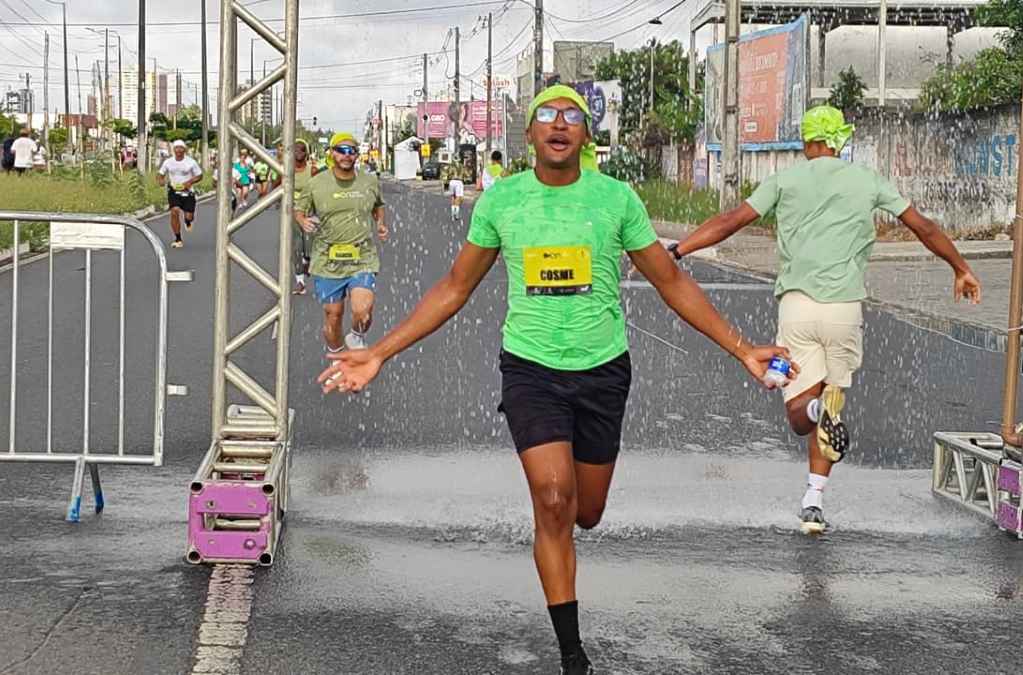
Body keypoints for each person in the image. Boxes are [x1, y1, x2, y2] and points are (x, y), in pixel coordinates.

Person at [316, 85, 793, 675]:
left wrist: (742, 349)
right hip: (530, 370)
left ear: (586, 134)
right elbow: (454, 288)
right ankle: (573, 655)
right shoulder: (503, 201)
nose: (560, 124)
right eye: (547, 115)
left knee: (585, 512)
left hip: (602, 372)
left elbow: (671, 282)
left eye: (573, 116)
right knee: (551, 499)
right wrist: (381, 351)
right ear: (531, 133)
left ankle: (568, 541)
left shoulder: (616, 200)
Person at [673, 105, 982, 535]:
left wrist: (678, 250)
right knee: (832, 401)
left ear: (805, 142)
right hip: (844, 310)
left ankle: (817, 412)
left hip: (797, 308)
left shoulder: (785, 179)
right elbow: (923, 226)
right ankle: (813, 500)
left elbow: (731, 221)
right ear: (841, 141)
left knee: (800, 415)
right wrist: (960, 267)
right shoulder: (867, 180)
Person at [294, 132, 388, 352]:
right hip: (328, 259)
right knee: (334, 316)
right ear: (332, 153)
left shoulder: (369, 180)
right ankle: (337, 357)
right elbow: (299, 209)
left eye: (352, 151)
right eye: (341, 150)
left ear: (357, 155)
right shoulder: (316, 183)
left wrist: (381, 223)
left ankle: (356, 336)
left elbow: (378, 205)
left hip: (362, 256)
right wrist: (302, 220)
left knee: (363, 310)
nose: (347, 155)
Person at [156, 140, 203, 249]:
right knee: (174, 211)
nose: (178, 150)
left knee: (188, 216)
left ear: (184, 150)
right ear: (174, 150)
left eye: (181, 148)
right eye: (176, 148)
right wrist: (160, 180)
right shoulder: (168, 162)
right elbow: (160, 174)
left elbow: (200, 175)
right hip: (174, 191)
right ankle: (178, 239)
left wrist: (190, 182)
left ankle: (188, 221)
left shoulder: (191, 162)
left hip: (188, 192)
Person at [290, 140, 319, 295]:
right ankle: (300, 282)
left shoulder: (312, 170)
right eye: (295, 150)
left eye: (301, 150)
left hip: (309, 213)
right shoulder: (288, 170)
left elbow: (320, 190)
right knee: (296, 247)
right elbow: (277, 185)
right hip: (293, 212)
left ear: (306, 153)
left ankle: (307, 263)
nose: (298, 153)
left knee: (309, 248)